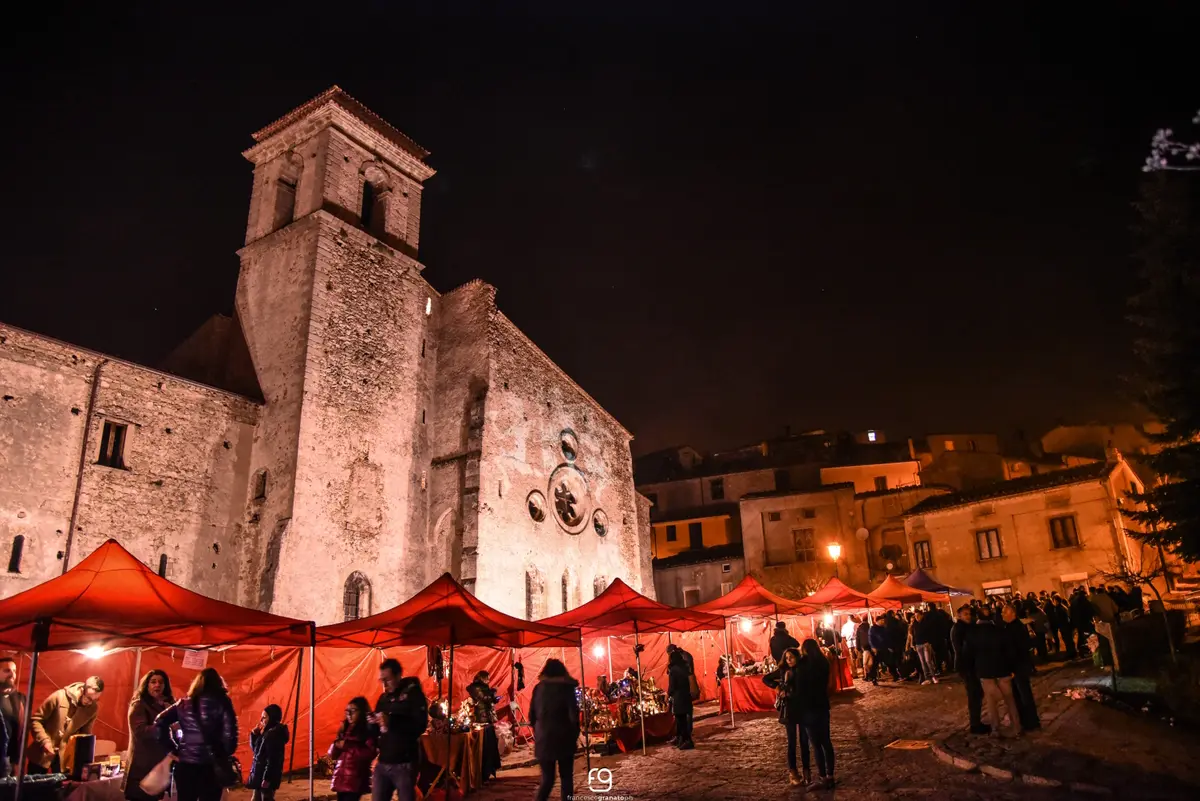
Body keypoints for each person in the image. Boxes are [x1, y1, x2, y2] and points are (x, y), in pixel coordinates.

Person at [155, 668, 238, 801]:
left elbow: (160, 721)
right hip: (211, 766)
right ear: (218, 683)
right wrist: (224, 754)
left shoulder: (183, 704)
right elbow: (230, 735)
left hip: (185, 765)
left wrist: (171, 749)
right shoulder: (223, 702)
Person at [368, 658, 428, 801]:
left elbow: (420, 725)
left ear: (398, 676)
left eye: (387, 680)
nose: (384, 685)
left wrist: (392, 722)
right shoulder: (383, 698)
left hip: (404, 763)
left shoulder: (413, 695)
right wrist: (371, 723)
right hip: (383, 762)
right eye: (381, 680)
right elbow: (378, 730)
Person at [29, 675, 104, 774]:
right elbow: (36, 720)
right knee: (34, 787)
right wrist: (44, 741)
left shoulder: (92, 709)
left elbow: (85, 735)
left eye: (95, 699)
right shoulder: (59, 696)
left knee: (61, 788)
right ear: (82, 690)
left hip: (65, 759)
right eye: (89, 698)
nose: (90, 702)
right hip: (42, 753)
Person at [529, 659, 579, 801]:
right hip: (564, 738)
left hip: (544, 739)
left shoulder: (538, 688)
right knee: (566, 778)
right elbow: (573, 716)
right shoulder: (566, 688)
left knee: (547, 779)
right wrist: (575, 733)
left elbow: (531, 716)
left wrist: (539, 731)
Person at [124, 670, 175, 801]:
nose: (157, 685)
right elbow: (141, 732)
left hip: (158, 766)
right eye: (153, 682)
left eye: (161, 682)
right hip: (142, 767)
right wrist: (165, 722)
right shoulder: (139, 704)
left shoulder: (166, 705)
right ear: (146, 685)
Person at [968, 607, 1019, 738]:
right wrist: (1012, 668)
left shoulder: (973, 633)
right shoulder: (1000, 630)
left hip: (985, 671)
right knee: (1009, 699)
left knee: (991, 702)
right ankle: (1017, 727)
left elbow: (968, 654)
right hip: (1003, 669)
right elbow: (1010, 651)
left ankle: (996, 729)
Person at [763, 647, 807, 786]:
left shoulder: (802, 670)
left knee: (805, 742)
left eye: (791, 657)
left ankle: (807, 771)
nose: (789, 660)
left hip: (802, 707)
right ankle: (793, 772)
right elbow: (765, 678)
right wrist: (776, 687)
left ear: (797, 657)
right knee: (792, 741)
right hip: (789, 709)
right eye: (787, 658)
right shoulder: (782, 670)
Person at [798, 639, 834, 787]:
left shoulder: (803, 665)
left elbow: (800, 686)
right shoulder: (824, 662)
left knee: (816, 744)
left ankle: (822, 776)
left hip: (808, 708)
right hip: (822, 705)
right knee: (826, 741)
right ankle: (830, 775)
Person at [1001, 605, 1040, 732]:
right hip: (1018, 665)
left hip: (1018, 666)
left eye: (1004, 612)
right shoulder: (1011, 626)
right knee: (1019, 694)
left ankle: (1031, 722)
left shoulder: (1016, 628)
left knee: (1024, 694)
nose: (1002, 615)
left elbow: (1016, 649)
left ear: (1012, 613)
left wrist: (1012, 668)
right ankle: (1025, 720)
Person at [329, 697, 376, 801]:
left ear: (362, 711)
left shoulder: (367, 730)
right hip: (340, 778)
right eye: (347, 711)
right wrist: (336, 746)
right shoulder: (344, 728)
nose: (349, 714)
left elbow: (370, 752)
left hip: (355, 780)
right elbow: (333, 755)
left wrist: (347, 745)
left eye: (353, 711)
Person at [952, 606, 989, 734]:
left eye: (969, 614)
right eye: (965, 614)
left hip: (972, 665)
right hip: (967, 666)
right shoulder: (959, 629)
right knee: (974, 694)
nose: (968, 616)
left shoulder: (969, 627)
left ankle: (976, 722)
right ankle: (975, 724)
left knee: (977, 694)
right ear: (959, 616)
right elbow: (962, 649)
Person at [248, 704, 289, 801]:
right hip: (260, 775)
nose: (261, 720)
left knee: (266, 798)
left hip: (265, 777)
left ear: (272, 718)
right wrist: (254, 735)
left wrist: (267, 778)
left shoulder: (273, 735)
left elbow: (273, 760)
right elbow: (257, 752)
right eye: (261, 717)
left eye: (264, 717)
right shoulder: (267, 733)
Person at [466, 670, 501, 782]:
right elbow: (484, 698)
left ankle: (489, 770)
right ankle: (484, 772)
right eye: (487, 678)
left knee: (490, 746)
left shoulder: (484, 687)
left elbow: (488, 699)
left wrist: (493, 697)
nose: (489, 680)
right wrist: (493, 693)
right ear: (482, 678)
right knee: (485, 747)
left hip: (487, 718)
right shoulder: (475, 688)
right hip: (482, 719)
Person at [0, 656, 24, 778]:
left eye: (14, 671)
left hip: (8, 759)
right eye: (7, 670)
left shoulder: (20, 699)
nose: (12, 674)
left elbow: (20, 731)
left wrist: (17, 760)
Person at [666, 649, 694, 750]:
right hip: (686, 695)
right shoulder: (685, 667)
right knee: (685, 719)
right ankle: (684, 740)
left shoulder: (673, 670)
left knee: (680, 720)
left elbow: (672, 686)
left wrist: (668, 694)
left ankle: (687, 741)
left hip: (678, 697)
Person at [911, 610, 939, 685]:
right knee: (923, 662)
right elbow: (913, 635)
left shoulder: (926, 623)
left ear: (922, 615)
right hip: (918, 645)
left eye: (918, 616)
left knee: (928, 661)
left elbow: (931, 633)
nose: (917, 617)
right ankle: (927, 678)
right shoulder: (915, 624)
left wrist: (929, 642)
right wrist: (913, 644)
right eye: (915, 616)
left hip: (925, 644)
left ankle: (934, 677)